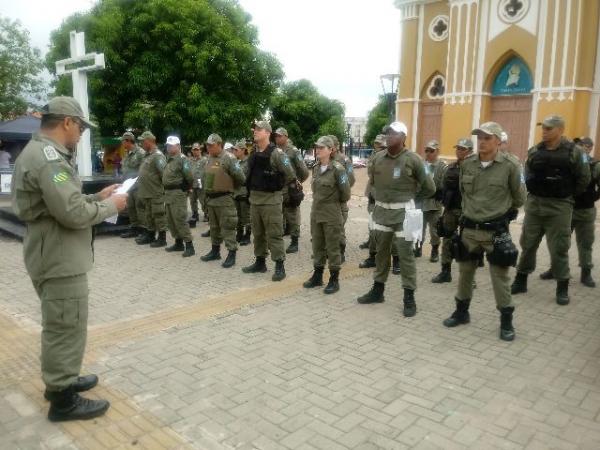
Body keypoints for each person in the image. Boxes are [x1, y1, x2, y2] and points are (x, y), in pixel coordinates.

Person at [11, 96, 128, 421]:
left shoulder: (40, 154)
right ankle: (62, 399)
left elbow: (62, 200)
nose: (80, 134)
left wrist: (97, 195)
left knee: (65, 322)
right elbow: (72, 213)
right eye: (80, 127)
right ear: (67, 122)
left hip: (51, 249)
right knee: (65, 325)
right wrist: (111, 206)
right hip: (59, 255)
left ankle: (63, 379)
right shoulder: (49, 159)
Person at [443, 122, 525, 341]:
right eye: (479, 137)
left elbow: (519, 197)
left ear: (498, 141)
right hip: (469, 229)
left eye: (487, 138)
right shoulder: (468, 164)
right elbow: (463, 191)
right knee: (465, 273)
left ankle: (506, 321)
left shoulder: (510, 166)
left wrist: (502, 212)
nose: (482, 141)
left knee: (500, 277)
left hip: (495, 231)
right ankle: (461, 312)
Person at [357, 121, 435, 317]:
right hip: (382, 213)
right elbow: (372, 183)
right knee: (381, 253)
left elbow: (430, 188)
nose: (388, 136)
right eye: (388, 133)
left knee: (406, 256)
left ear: (403, 137)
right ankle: (378, 290)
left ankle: (409, 296)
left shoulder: (414, 160)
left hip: (405, 215)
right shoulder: (377, 158)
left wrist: (411, 199)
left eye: (393, 133)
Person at [511, 116, 591, 305]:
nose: (544, 131)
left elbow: (584, 179)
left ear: (560, 130)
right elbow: (527, 174)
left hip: (559, 207)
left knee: (559, 248)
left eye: (549, 128)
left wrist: (567, 195)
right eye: (543, 128)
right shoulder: (535, 151)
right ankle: (521, 280)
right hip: (536, 205)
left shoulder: (575, 152)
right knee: (528, 244)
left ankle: (562, 288)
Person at [538, 136, 600, 288]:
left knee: (585, 243)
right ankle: (554, 269)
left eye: (583, 146)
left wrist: (593, 196)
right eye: (578, 145)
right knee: (559, 242)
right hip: (566, 210)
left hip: (586, 211)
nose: (579, 148)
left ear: (590, 148)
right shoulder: (569, 163)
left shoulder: (595, 165)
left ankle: (586, 274)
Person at [242, 121, 296, 281]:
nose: (255, 132)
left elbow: (290, 174)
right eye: (255, 129)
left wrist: (277, 185)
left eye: (259, 130)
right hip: (255, 200)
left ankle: (280, 266)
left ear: (267, 133)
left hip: (271, 201)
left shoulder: (277, 153)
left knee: (274, 234)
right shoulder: (254, 154)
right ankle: (260, 262)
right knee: (258, 234)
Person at [303, 136, 351, 294]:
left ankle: (334, 279)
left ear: (331, 150)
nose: (318, 150)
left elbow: (345, 194)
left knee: (332, 247)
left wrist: (333, 203)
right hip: (316, 213)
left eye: (322, 147)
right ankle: (317, 276)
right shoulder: (316, 167)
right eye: (317, 147)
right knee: (317, 246)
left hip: (331, 214)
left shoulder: (338, 169)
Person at [432, 138, 474, 283]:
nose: (459, 151)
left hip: (468, 212)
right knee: (447, 240)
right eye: (458, 148)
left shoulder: (476, 169)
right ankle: (445, 271)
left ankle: (468, 277)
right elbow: (443, 186)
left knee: (468, 243)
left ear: (470, 151)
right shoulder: (450, 168)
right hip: (451, 210)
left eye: (463, 149)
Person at [200, 133, 246, 268]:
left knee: (228, 227)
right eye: (207, 145)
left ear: (219, 145)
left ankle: (232, 253)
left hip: (225, 200)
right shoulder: (209, 158)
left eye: (211, 145)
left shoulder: (229, 158)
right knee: (214, 228)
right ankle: (215, 251)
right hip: (211, 200)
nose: (208, 148)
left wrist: (230, 189)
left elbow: (241, 178)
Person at [359, 135, 402, 275]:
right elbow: (370, 174)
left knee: (394, 234)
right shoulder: (376, 158)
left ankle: (396, 261)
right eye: (378, 146)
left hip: (390, 203)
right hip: (375, 200)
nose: (379, 149)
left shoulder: (398, 160)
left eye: (382, 147)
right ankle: (372, 256)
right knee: (373, 231)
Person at [275, 127, 309, 253]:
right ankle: (287, 230)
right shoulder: (276, 150)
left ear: (286, 136)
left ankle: (295, 242)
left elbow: (304, 171)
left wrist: (297, 183)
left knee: (293, 214)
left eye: (279, 136)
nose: (277, 138)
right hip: (279, 188)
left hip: (290, 188)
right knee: (283, 212)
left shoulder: (293, 151)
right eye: (276, 136)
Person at [162, 136, 195, 257]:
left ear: (178, 146)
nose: (169, 147)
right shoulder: (169, 159)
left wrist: (186, 187)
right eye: (168, 145)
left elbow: (190, 176)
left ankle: (189, 245)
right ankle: (178, 242)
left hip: (177, 193)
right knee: (171, 220)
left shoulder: (182, 159)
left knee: (180, 219)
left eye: (172, 145)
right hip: (168, 194)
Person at [135, 131, 168, 247]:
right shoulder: (147, 155)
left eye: (143, 141)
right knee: (149, 215)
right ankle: (150, 235)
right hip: (146, 192)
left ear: (150, 141)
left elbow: (164, 174)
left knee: (158, 215)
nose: (141, 143)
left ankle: (162, 238)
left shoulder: (158, 156)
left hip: (155, 192)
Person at [418, 140, 446, 262]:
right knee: (419, 227)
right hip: (421, 202)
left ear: (437, 151)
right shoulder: (422, 165)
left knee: (434, 229)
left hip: (434, 203)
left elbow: (445, 184)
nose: (428, 153)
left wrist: (439, 192)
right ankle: (418, 248)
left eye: (431, 151)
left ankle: (434, 250)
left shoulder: (442, 166)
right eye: (427, 151)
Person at [330, 135, 355, 263]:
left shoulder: (345, 160)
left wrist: (342, 190)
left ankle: (341, 252)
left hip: (339, 200)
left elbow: (351, 179)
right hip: (327, 201)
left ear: (336, 146)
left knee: (339, 228)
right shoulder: (325, 159)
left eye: (331, 146)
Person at [119, 131, 146, 238]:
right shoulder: (128, 153)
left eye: (123, 141)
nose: (122, 144)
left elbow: (144, 170)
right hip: (129, 187)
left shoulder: (140, 153)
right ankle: (134, 229)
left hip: (138, 187)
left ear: (128, 141)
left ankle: (144, 230)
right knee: (131, 208)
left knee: (140, 208)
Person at [233, 139, 252, 246]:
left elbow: (246, 178)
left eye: (236, 150)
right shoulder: (235, 162)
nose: (234, 151)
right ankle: (239, 233)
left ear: (243, 150)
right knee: (238, 215)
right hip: (236, 192)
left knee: (246, 216)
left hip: (244, 192)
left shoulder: (248, 162)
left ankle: (247, 235)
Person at [188, 142, 205, 228]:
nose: (195, 151)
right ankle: (195, 214)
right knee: (192, 200)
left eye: (197, 150)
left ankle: (207, 214)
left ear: (200, 150)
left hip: (200, 183)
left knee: (203, 200)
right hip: (192, 183)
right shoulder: (190, 160)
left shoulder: (204, 160)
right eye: (194, 150)